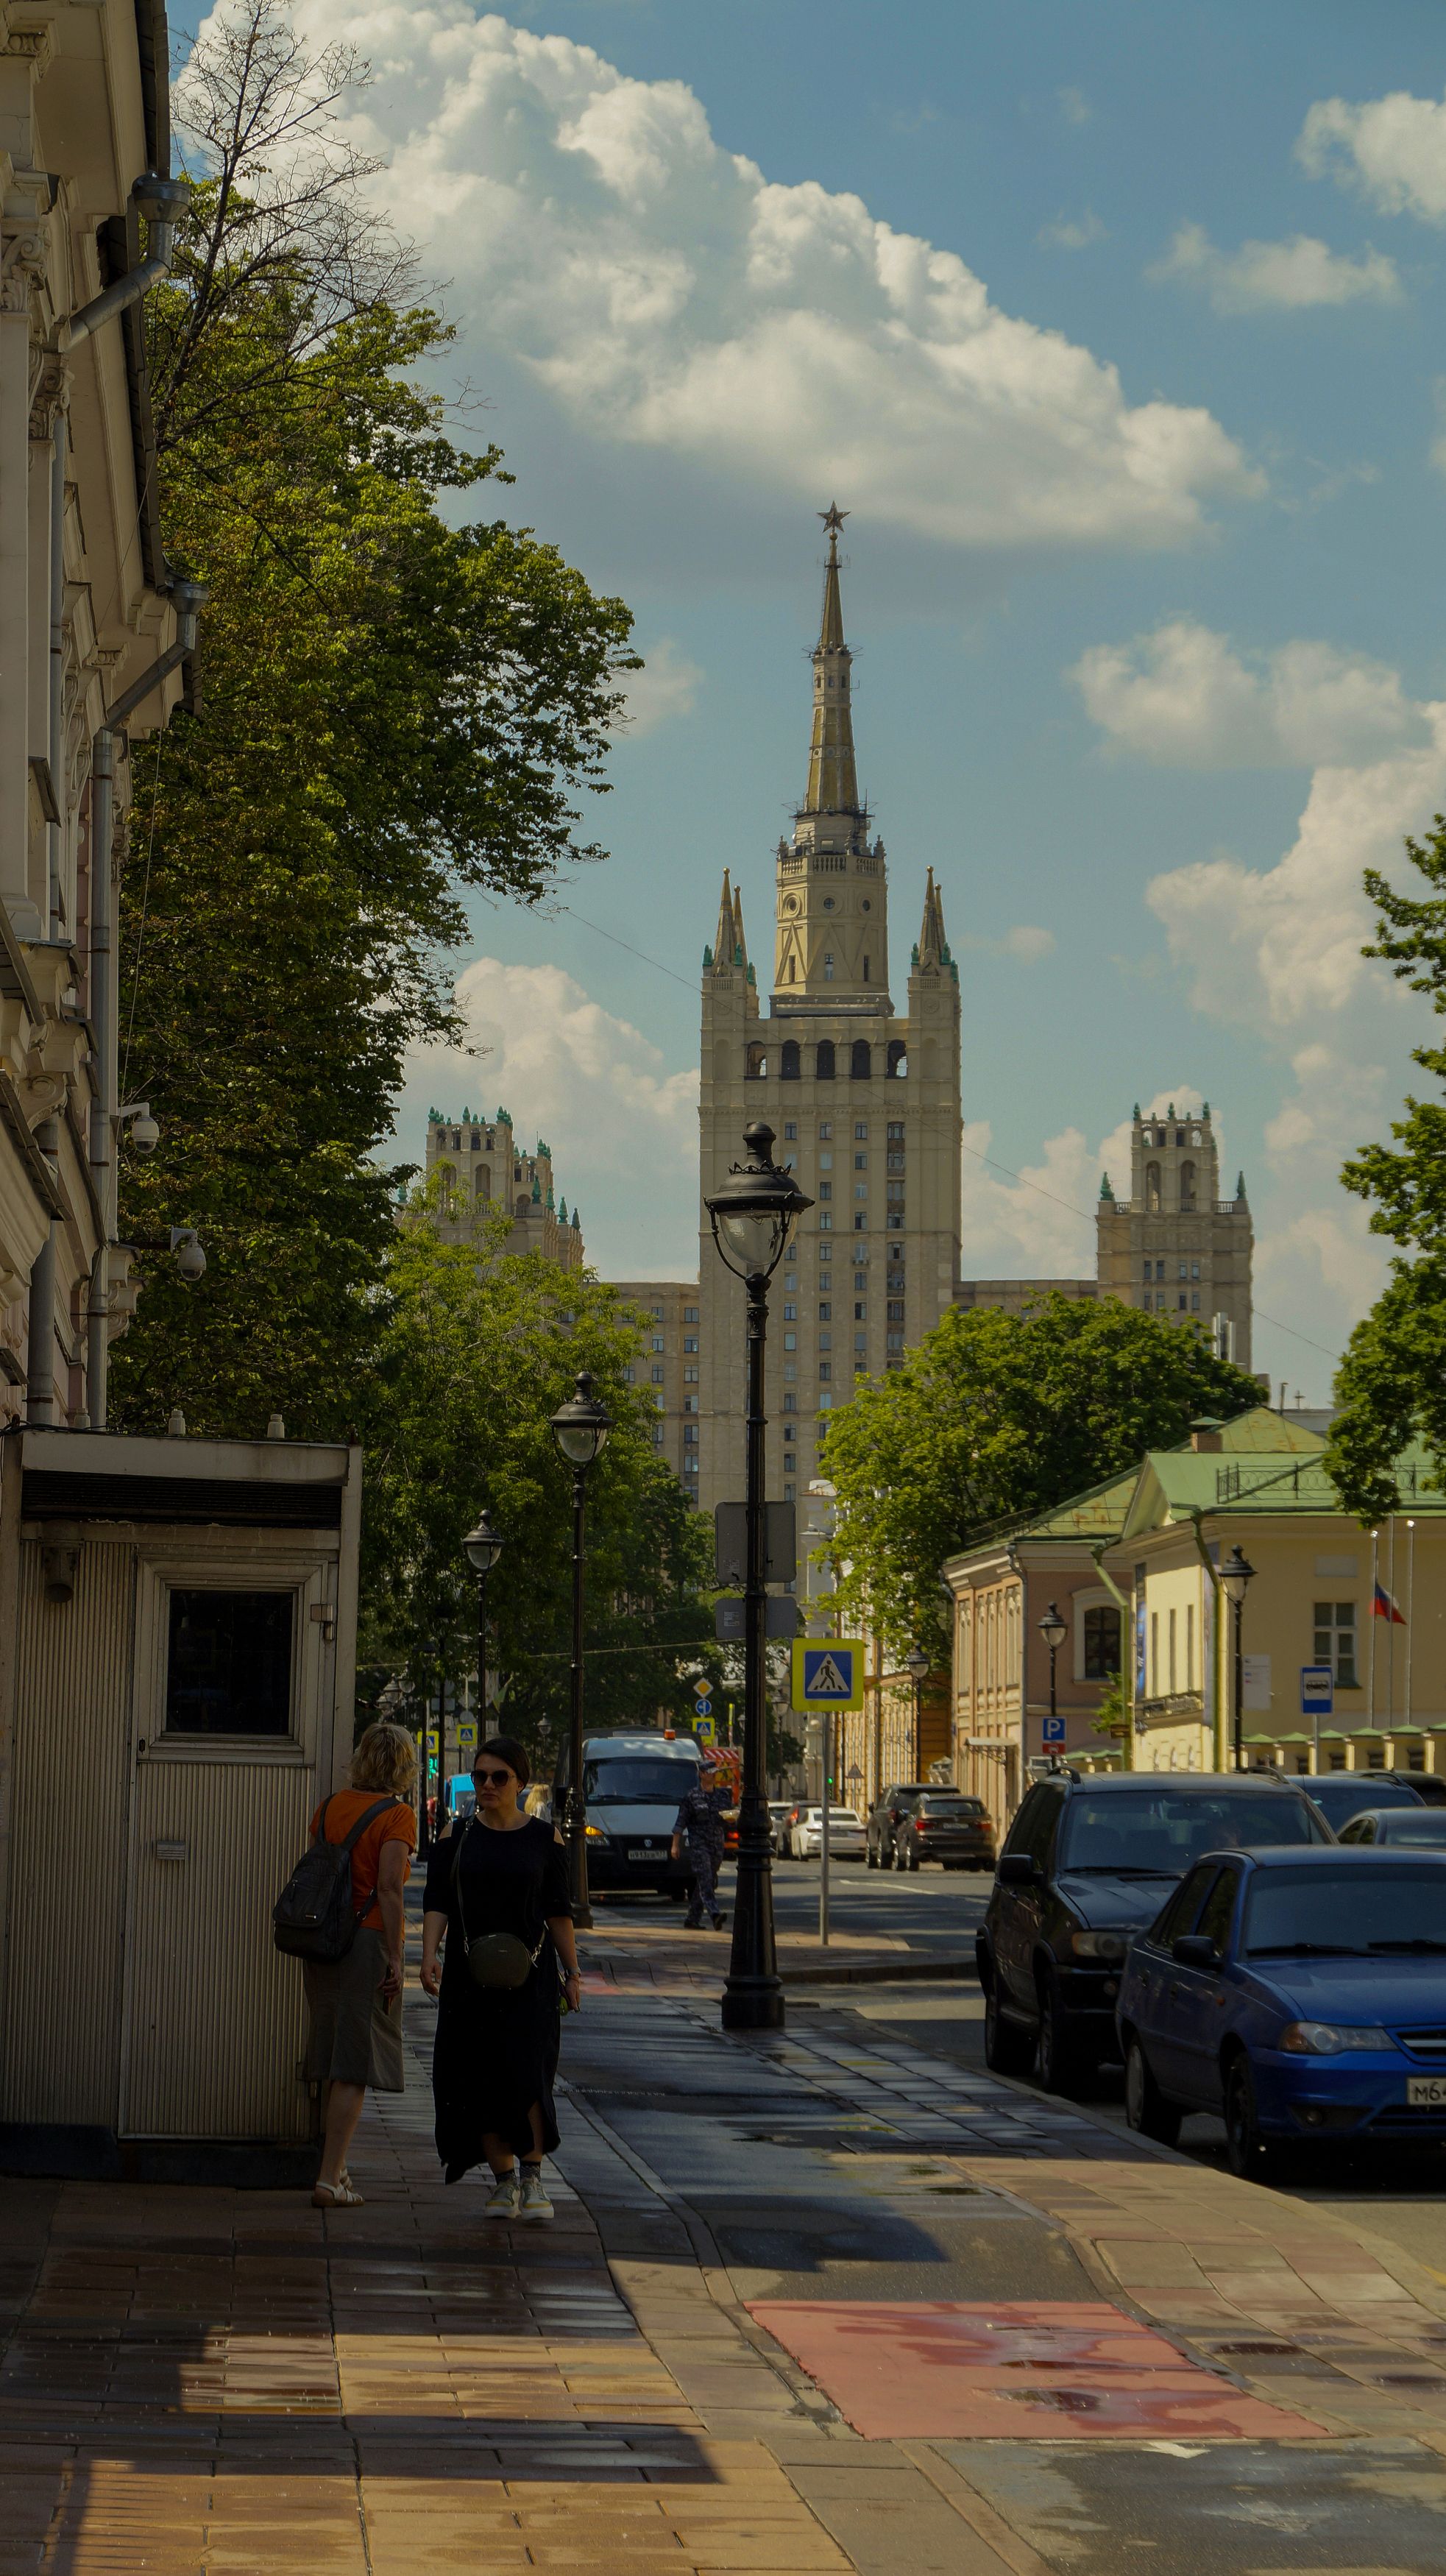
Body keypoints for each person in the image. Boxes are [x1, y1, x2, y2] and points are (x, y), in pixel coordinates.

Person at [420, 1734, 581, 2221]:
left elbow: (558, 1911)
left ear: (520, 1782)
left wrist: (573, 1973)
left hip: (531, 1976)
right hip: (469, 1977)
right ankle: (504, 2182)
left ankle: (532, 2179)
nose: (487, 1784)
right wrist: (428, 1955)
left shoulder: (545, 1838)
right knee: (478, 2077)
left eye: (498, 1776)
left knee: (529, 2074)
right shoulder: (455, 1835)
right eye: (480, 1776)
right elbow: (437, 1902)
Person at [302, 1719, 418, 2209]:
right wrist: (397, 1955)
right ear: (404, 1766)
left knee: (334, 2052)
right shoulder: (397, 1816)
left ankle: (338, 2167)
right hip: (366, 1941)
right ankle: (329, 2179)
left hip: (323, 1941)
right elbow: (389, 1888)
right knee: (353, 2063)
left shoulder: (329, 1807)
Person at [670, 1748, 731, 1930]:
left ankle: (692, 1919)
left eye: (715, 1772)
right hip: (699, 1844)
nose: (713, 1775)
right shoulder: (692, 1796)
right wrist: (675, 1845)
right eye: (710, 1773)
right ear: (702, 1774)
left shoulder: (722, 1795)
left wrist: (731, 1819)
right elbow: (681, 1822)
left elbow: (727, 1817)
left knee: (707, 1881)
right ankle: (715, 1914)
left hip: (716, 1845)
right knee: (705, 1877)